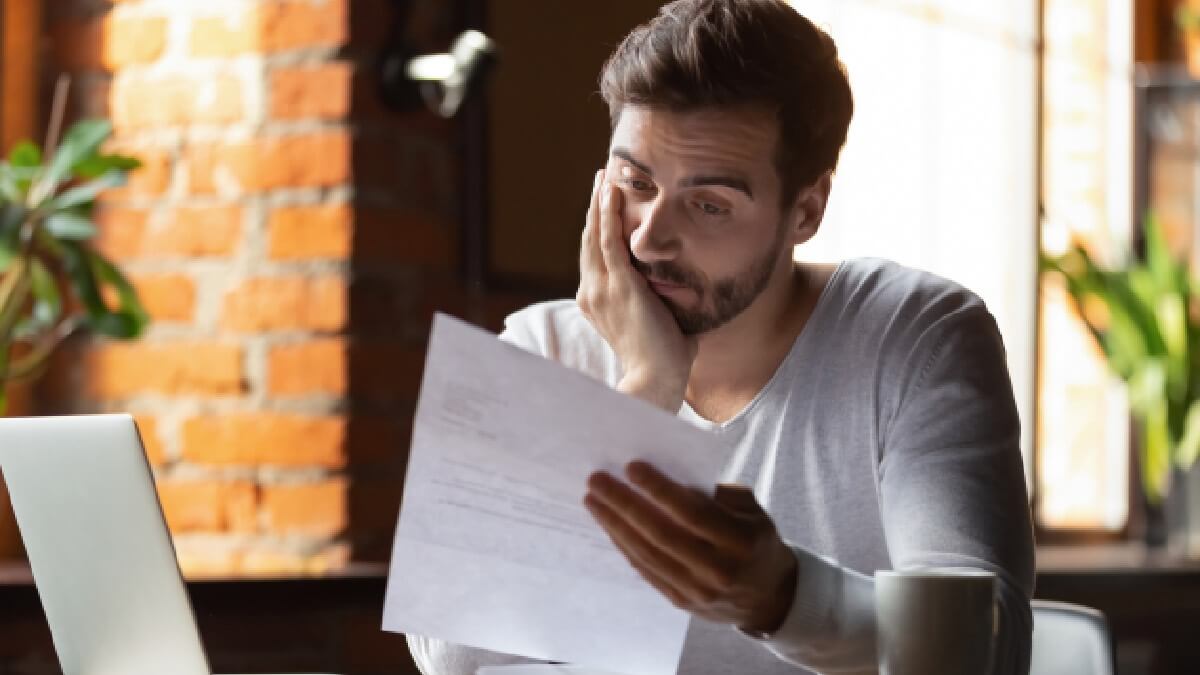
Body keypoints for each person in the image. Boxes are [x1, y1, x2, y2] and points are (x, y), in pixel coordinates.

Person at [408, 0, 1035, 673]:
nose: (649, 235)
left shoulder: (918, 337)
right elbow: (449, 654)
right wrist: (644, 394)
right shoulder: (540, 348)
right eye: (635, 181)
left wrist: (783, 596)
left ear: (806, 210)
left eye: (709, 204)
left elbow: (986, 646)